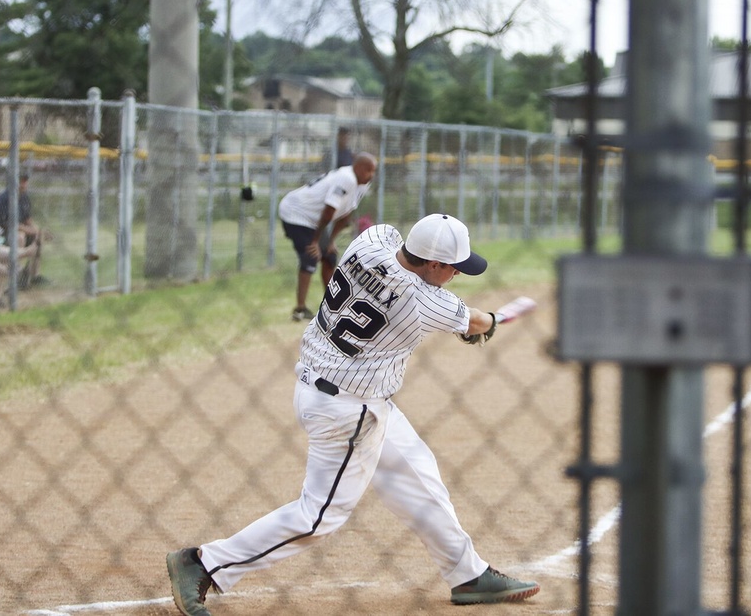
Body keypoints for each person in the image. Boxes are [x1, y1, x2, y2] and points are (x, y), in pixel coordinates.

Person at [166, 213, 541, 615]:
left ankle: (468, 573)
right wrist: (494, 321)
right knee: (318, 516)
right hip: (348, 413)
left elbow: (405, 259)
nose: (456, 275)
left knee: (418, 474)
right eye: (453, 267)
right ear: (433, 264)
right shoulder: (425, 299)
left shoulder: (373, 241)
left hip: (334, 386)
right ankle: (203, 563)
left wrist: (477, 322)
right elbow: (474, 321)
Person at [279, 152, 377, 321]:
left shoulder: (361, 184)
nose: (372, 175)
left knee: (330, 256)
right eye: (369, 170)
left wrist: (330, 241)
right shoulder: (347, 179)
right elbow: (328, 212)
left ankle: (332, 306)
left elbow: (346, 215)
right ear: (359, 168)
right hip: (296, 212)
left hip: (312, 219)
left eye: (374, 171)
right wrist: (316, 241)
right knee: (311, 255)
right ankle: (300, 309)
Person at [0, 173, 48, 288]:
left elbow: (27, 219)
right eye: (21, 181)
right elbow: (7, 224)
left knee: (37, 235)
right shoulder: (5, 198)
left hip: (12, 230)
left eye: (25, 181)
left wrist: (38, 230)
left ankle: (33, 275)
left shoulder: (23, 197)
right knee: (19, 237)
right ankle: (15, 276)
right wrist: (29, 230)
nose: (24, 184)